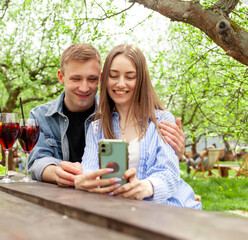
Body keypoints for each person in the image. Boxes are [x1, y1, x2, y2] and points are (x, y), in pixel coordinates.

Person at [28, 43, 185, 187]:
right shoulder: (40, 116)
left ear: (101, 79)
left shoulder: (116, 112)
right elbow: (36, 160)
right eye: (76, 78)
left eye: (91, 79)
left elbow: (164, 169)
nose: (84, 87)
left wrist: (173, 153)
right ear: (61, 77)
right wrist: (57, 173)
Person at [74, 44, 201, 209]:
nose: (120, 84)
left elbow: (169, 173)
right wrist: (85, 180)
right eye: (113, 76)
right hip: (118, 211)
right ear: (104, 78)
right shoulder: (96, 127)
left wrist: (146, 187)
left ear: (141, 79)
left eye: (129, 77)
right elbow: (89, 169)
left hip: (165, 209)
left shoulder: (162, 120)